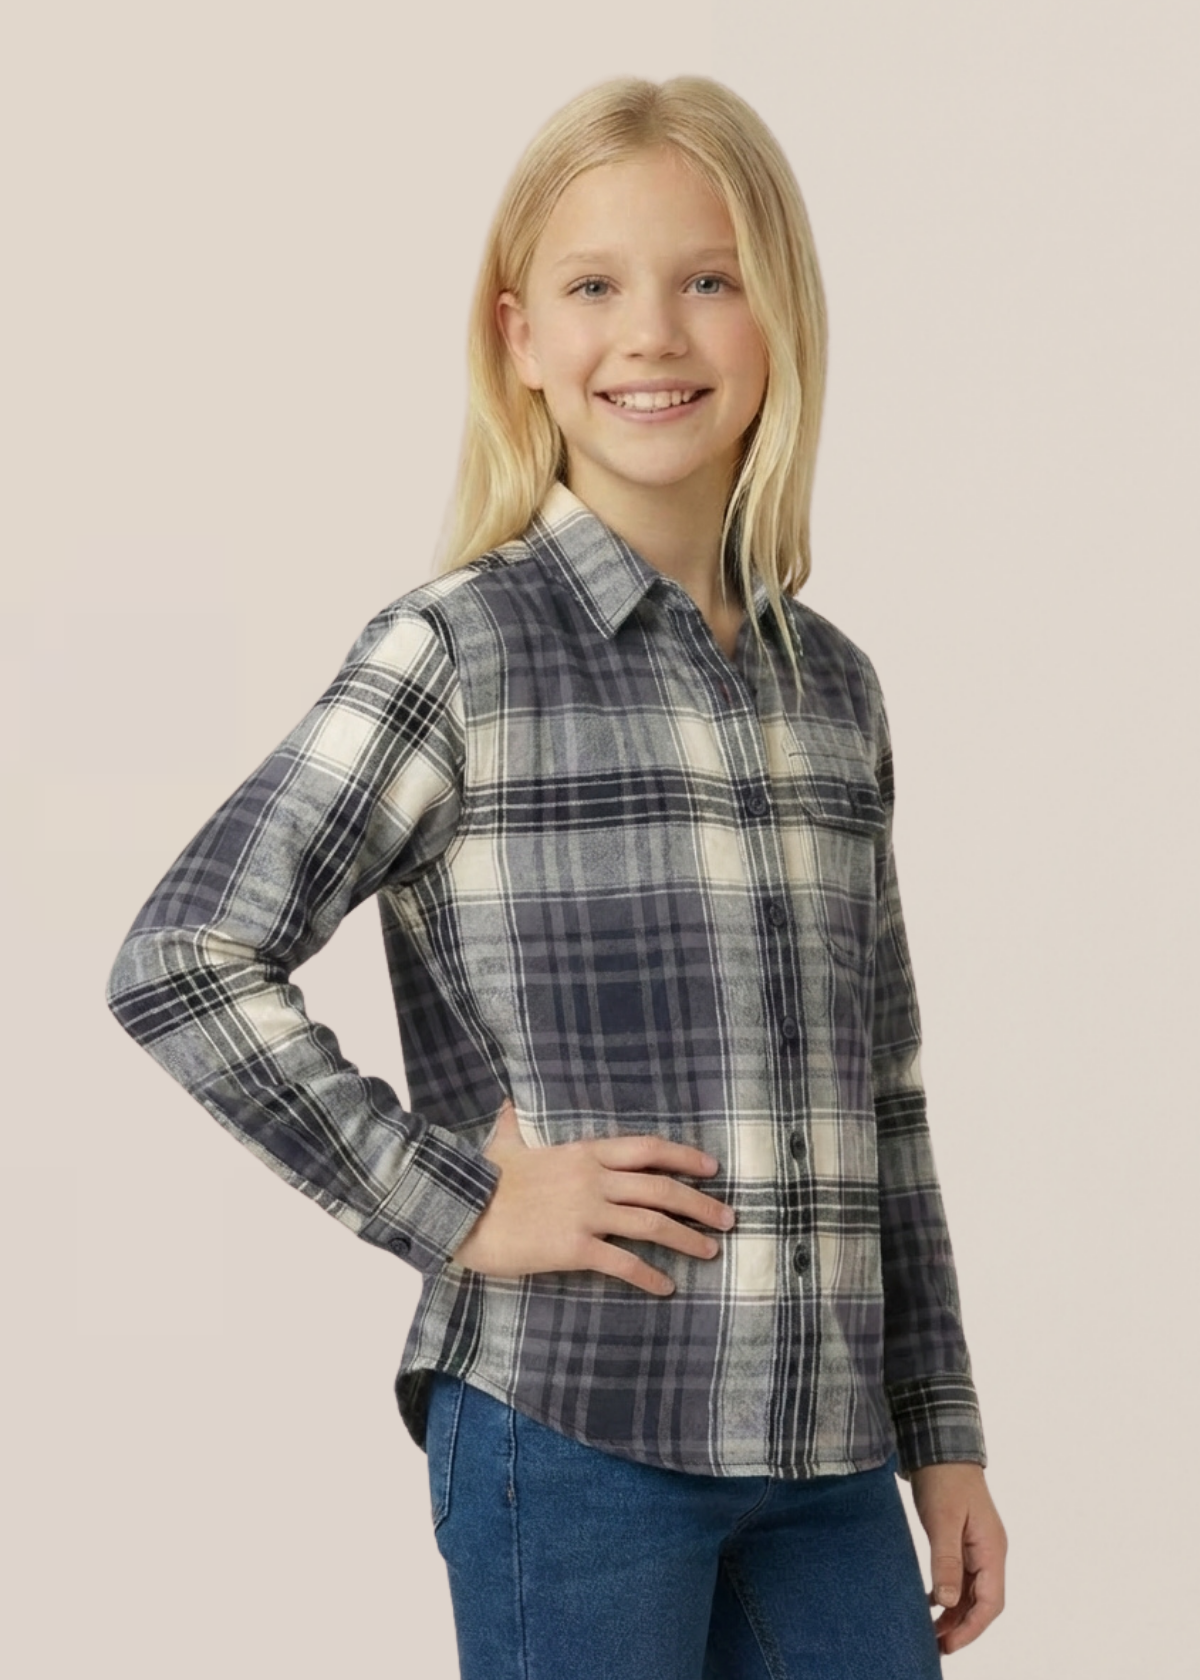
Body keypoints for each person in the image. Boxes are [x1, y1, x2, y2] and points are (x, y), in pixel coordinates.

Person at [106, 73, 1007, 1679]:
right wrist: (467, 1201)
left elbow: (887, 1096)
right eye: (596, 287)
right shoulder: (460, 652)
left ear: (780, 320)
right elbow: (185, 957)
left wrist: (941, 1432)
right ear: (521, 337)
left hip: (824, 1463)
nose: (651, 334)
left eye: (708, 280)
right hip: (575, 1429)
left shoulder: (834, 689)